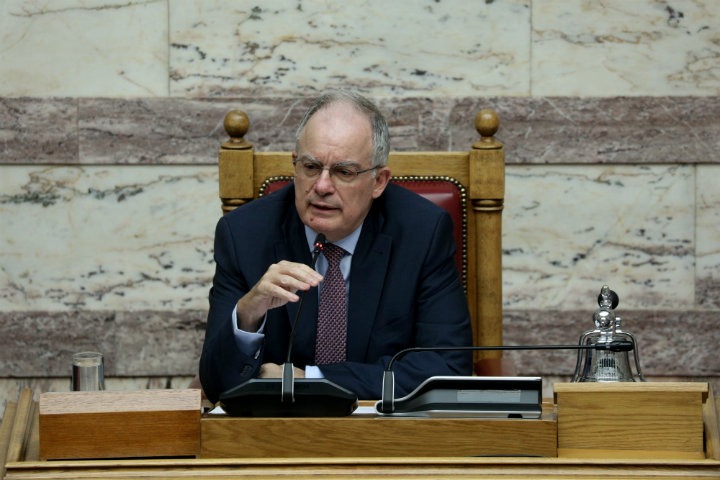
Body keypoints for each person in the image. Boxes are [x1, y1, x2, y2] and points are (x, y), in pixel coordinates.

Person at [199, 90, 472, 404]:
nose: (322, 186)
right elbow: (217, 383)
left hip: (382, 428)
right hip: (278, 428)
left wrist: (310, 380)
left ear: (379, 181)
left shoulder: (422, 232)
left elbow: (447, 368)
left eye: (344, 172)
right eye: (311, 167)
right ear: (294, 164)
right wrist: (248, 314)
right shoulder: (244, 234)